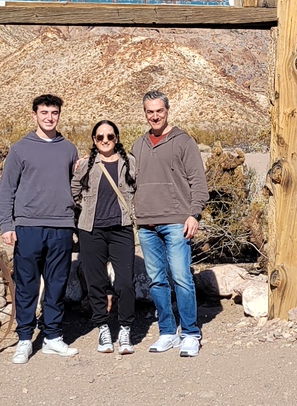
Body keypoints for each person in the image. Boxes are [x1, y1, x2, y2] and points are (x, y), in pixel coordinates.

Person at [0, 94, 80, 364]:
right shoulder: (20, 149)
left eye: (54, 113)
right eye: (44, 112)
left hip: (62, 226)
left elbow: (75, 187)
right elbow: (7, 189)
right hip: (28, 225)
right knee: (27, 285)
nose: (49, 117)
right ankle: (24, 339)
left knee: (57, 284)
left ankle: (53, 337)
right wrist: (6, 224)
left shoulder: (69, 149)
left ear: (59, 115)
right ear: (34, 115)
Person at [131, 90, 208, 357]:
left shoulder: (183, 141)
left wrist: (193, 214)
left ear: (167, 111)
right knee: (156, 281)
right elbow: (127, 180)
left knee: (182, 278)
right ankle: (167, 331)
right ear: (145, 113)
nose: (155, 116)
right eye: (150, 111)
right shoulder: (138, 145)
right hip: (146, 223)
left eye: (159, 111)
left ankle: (190, 333)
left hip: (177, 221)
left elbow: (199, 181)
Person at [70, 119, 137, 355]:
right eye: (100, 137)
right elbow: (74, 190)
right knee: (95, 282)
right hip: (91, 231)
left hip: (121, 229)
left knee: (125, 282)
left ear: (116, 138)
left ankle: (126, 328)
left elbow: (139, 189)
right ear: (94, 140)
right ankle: (103, 328)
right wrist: (86, 208)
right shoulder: (86, 165)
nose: (105, 141)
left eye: (110, 136)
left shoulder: (130, 163)